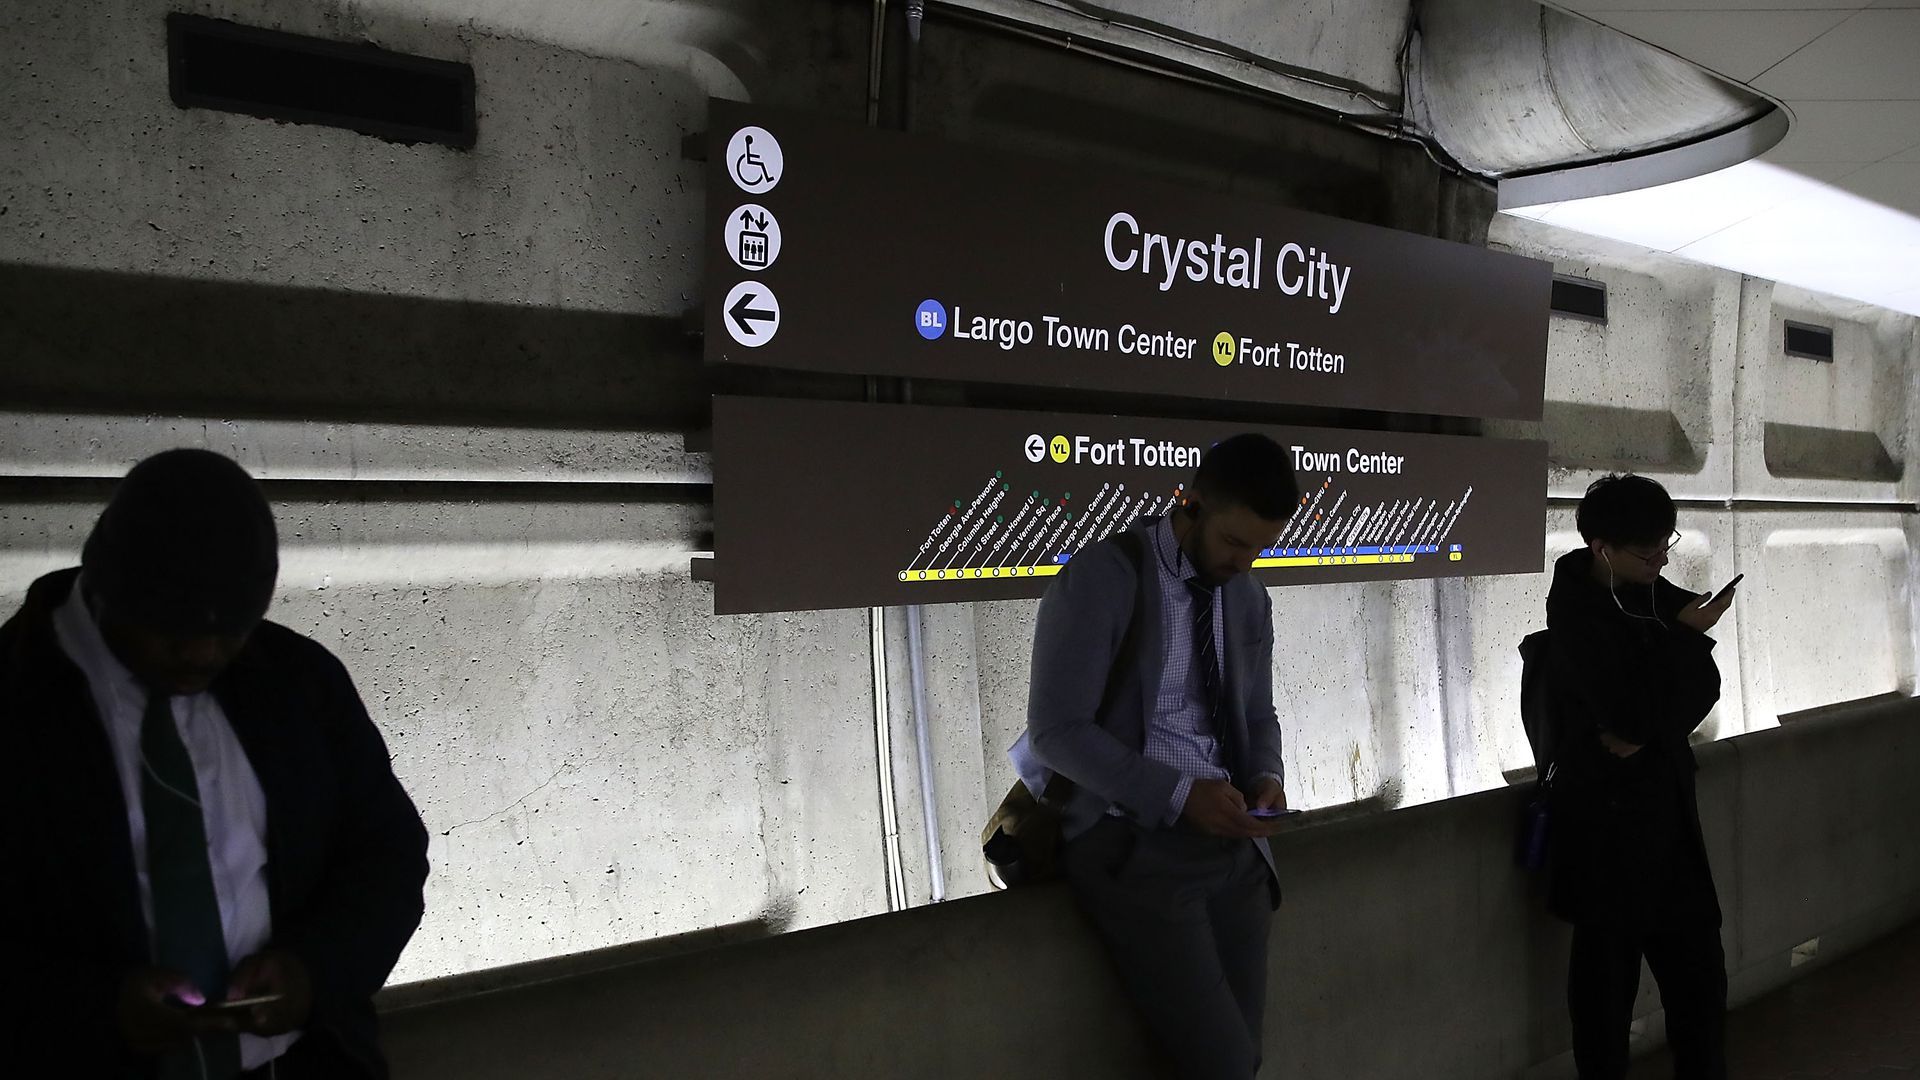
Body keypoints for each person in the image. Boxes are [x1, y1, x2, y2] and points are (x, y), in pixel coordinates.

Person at [1, 449, 430, 1078]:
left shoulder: (299, 684)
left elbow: (386, 854)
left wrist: (313, 971)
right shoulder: (13, 706)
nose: (202, 653)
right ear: (106, 584)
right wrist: (99, 1010)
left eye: (232, 628)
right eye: (171, 629)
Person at [1012, 433, 1300, 1080]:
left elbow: (1259, 713)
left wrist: (1266, 775)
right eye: (1233, 541)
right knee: (1223, 1062)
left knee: (1240, 1058)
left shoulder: (1247, 596)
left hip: (1236, 851)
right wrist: (1178, 794)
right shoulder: (1103, 578)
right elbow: (1056, 729)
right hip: (1136, 847)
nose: (1245, 561)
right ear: (1191, 505)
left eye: (1261, 547)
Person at [1545, 474, 1735, 1080]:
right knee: (1604, 994)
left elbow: (1703, 688)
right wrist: (1682, 643)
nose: (1661, 561)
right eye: (1647, 551)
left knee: (1700, 986)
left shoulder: (1654, 590)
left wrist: (1647, 727)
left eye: (1665, 547)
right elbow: (1630, 709)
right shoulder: (1577, 608)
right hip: (1605, 826)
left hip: (1668, 816)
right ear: (1602, 548)